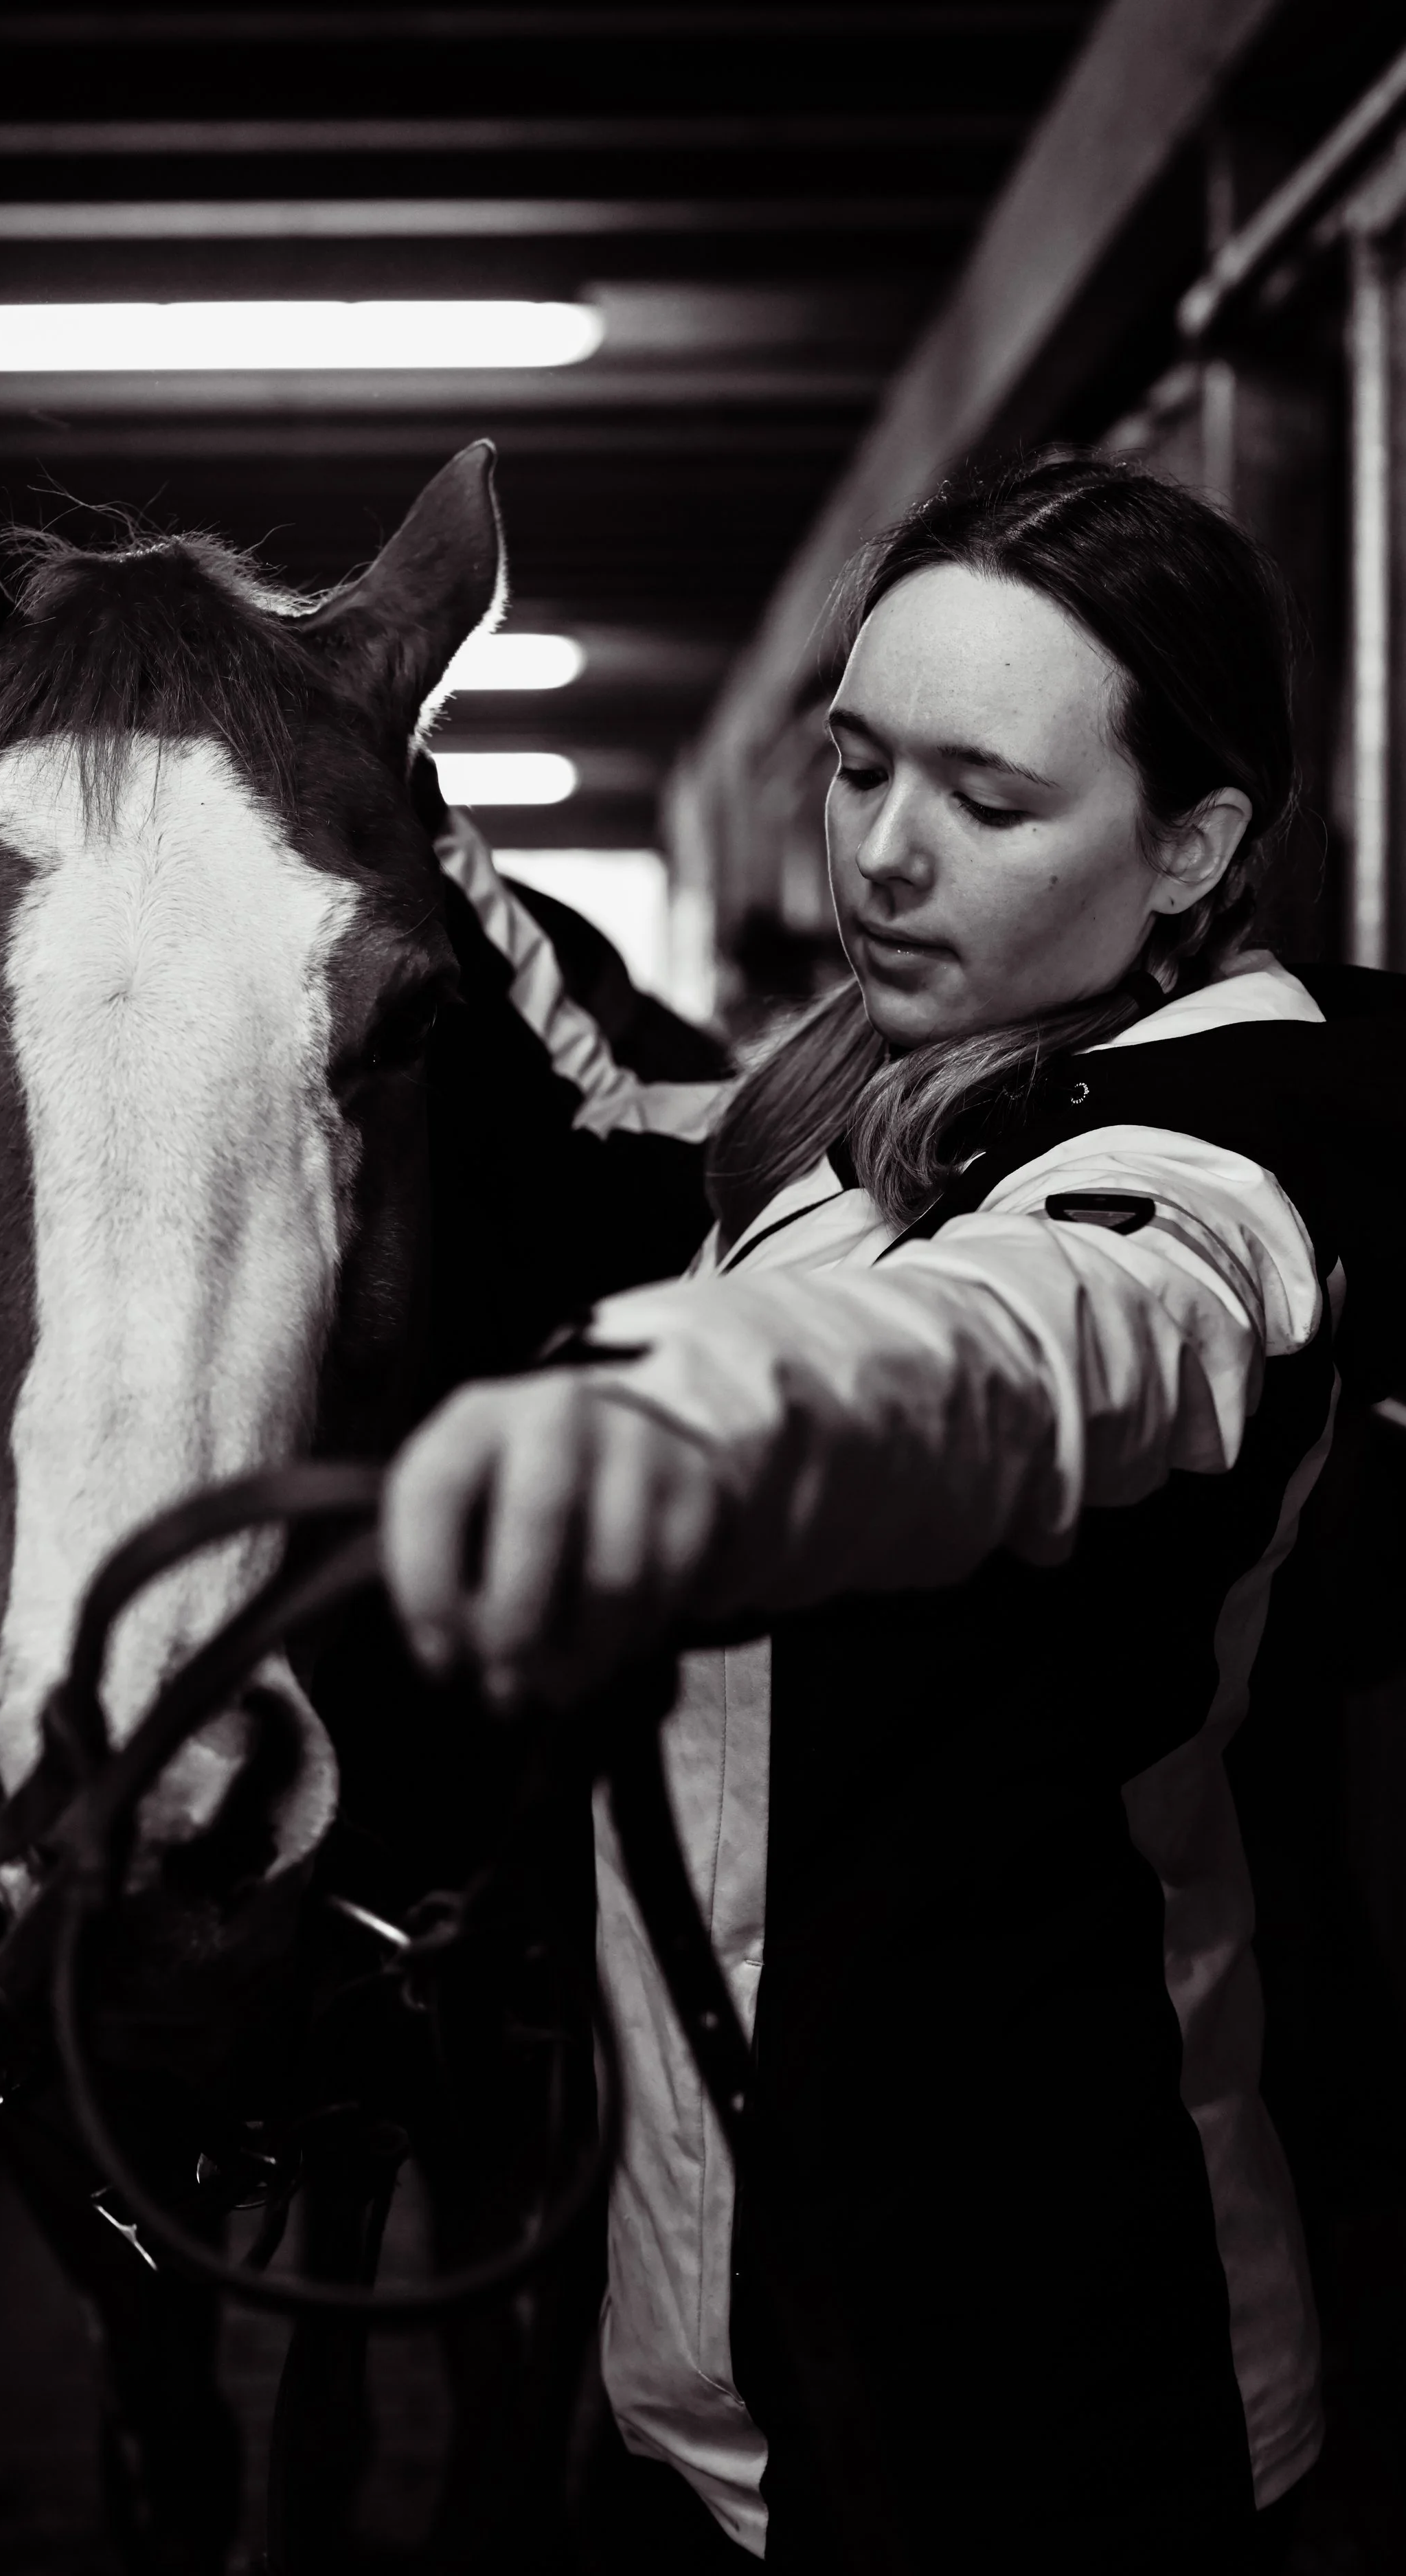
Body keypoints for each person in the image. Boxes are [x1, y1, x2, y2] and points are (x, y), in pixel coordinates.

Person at [381, 453, 1361, 2573]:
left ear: (1191, 846)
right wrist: (375, 780)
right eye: (854, 767)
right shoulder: (871, 1094)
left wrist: (684, 1409)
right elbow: (608, 1119)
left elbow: (1021, 1343)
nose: (883, 855)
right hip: (728, 2360)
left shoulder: (1227, 1156)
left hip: (1052, 2404)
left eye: (986, 801)